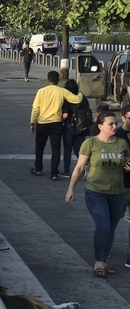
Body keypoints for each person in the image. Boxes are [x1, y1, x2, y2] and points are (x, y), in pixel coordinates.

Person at [65, 111, 130, 277]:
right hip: (95, 192)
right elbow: (79, 167)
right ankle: (99, 261)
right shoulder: (90, 143)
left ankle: (104, 261)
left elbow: (126, 165)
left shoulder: (122, 143)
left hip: (118, 192)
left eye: (115, 123)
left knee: (111, 228)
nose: (115, 126)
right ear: (100, 126)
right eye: (111, 124)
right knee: (103, 226)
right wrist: (71, 189)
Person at [29, 71, 83, 181]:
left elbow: (35, 108)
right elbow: (77, 99)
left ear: (47, 80)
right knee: (56, 149)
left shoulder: (41, 91)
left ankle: (38, 168)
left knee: (39, 147)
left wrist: (32, 122)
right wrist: (81, 92)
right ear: (58, 81)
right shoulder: (62, 91)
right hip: (56, 124)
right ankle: (54, 173)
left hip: (42, 123)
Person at [60, 79, 91, 177]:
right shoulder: (83, 98)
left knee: (67, 150)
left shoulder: (67, 99)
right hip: (82, 127)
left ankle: (66, 171)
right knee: (79, 150)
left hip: (70, 126)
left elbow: (65, 115)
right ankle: (85, 166)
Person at [116, 105, 130, 266]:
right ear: (123, 118)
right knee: (113, 221)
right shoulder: (118, 135)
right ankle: (105, 247)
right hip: (121, 186)